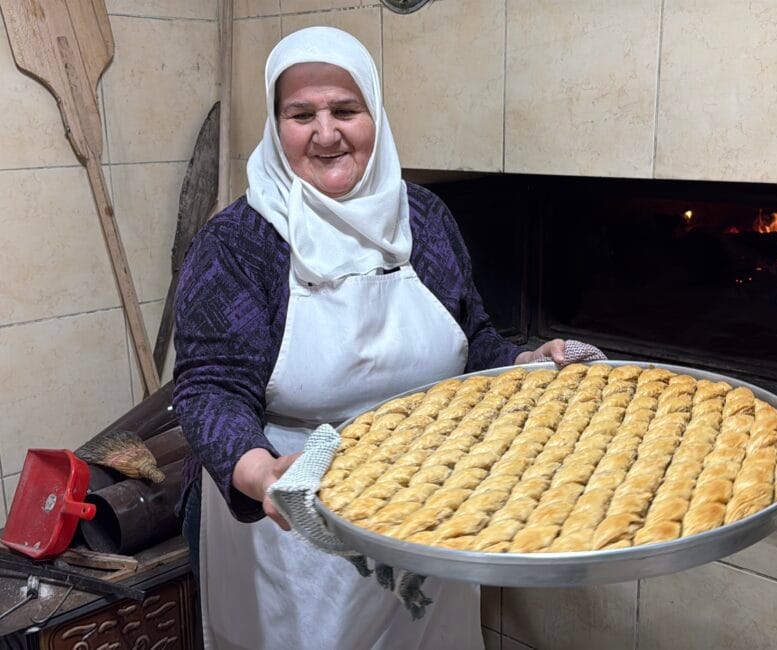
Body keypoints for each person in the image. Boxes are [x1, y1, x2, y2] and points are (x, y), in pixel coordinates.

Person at [172, 27, 566, 650]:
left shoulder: (425, 218)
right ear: (277, 128)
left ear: (374, 116)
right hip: (298, 525)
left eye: (345, 111)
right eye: (302, 115)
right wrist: (263, 473)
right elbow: (208, 391)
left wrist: (524, 360)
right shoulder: (239, 242)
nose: (326, 133)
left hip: (428, 509)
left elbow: (472, 341)